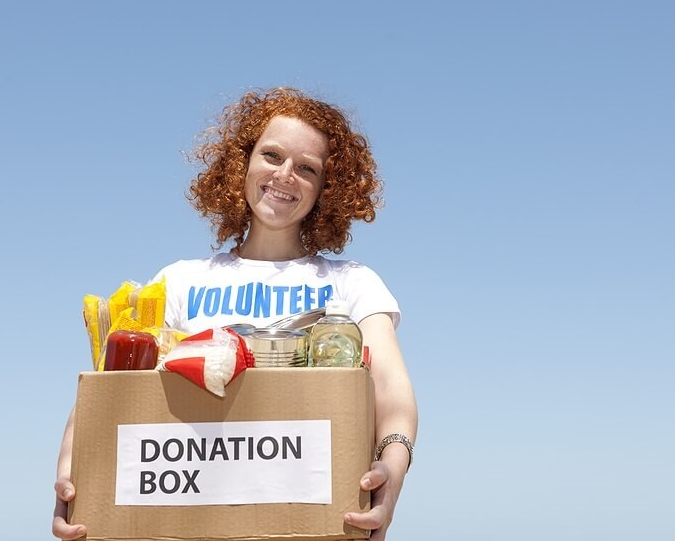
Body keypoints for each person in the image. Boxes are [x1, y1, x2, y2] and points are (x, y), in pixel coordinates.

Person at [52, 87, 418, 541]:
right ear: (241, 163)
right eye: (271, 155)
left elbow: (393, 394)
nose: (285, 175)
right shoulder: (180, 281)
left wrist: (393, 468)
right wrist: (74, 477)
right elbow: (111, 388)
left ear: (327, 189)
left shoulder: (352, 283)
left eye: (307, 168)